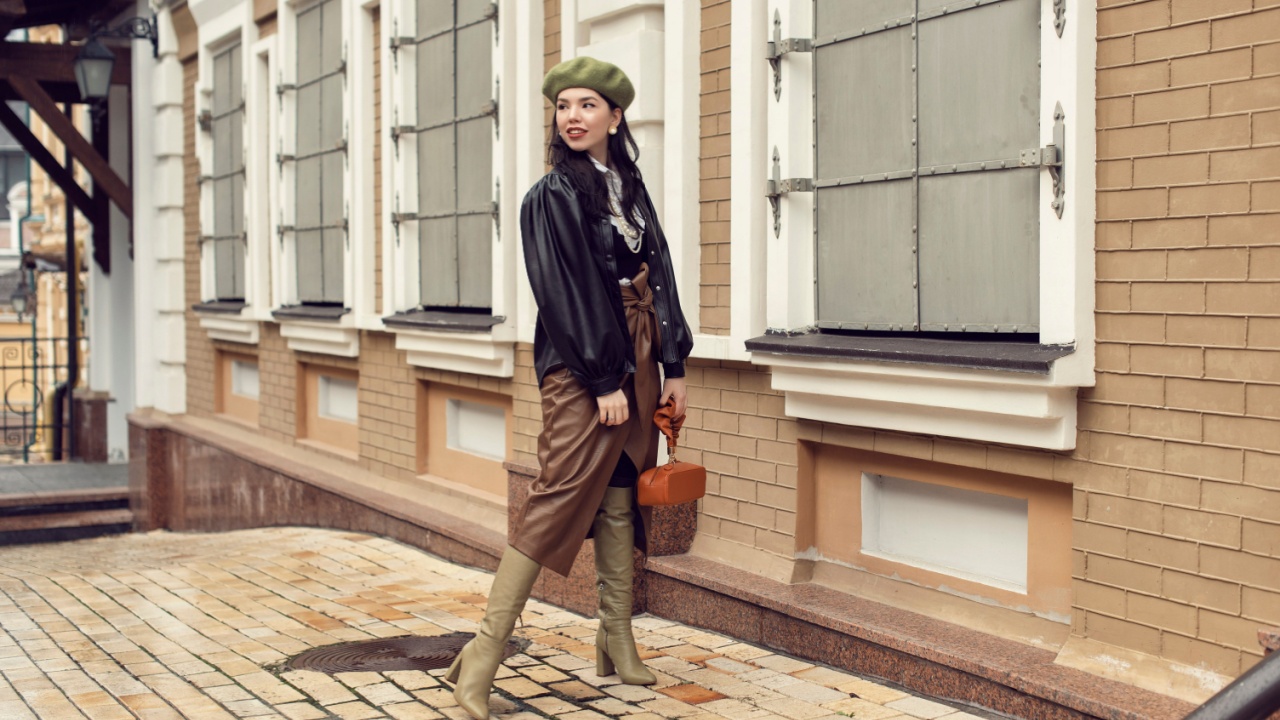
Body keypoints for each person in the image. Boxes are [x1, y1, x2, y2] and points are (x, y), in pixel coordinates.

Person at [443, 56, 694, 720]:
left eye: (587, 105)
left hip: (636, 358)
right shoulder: (552, 195)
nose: (573, 116)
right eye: (563, 106)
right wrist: (604, 374)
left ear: (615, 116)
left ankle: (615, 635)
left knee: (620, 489)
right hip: (587, 363)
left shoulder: (629, 187)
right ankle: (482, 659)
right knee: (557, 498)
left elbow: (661, 276)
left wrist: (673, 367)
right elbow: (564, 292)